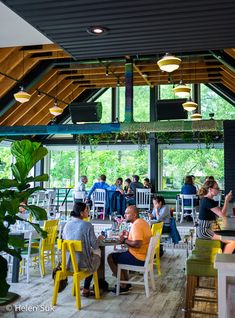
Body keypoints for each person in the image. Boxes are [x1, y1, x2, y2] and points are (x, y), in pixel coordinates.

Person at [107, 205, 152, 294]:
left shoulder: (136, 225)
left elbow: (137, 244)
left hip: (139, 258)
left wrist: (124, 240)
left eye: (127, 213)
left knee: (110, 257)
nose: (124, 215)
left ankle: (123, 286)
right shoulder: (142, 222)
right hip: (144, 255)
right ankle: (126, 283)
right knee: (121, 256)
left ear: (134, 215)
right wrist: (129, 235)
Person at [63, 202, 104, 297]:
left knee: (87, 254)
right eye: (87, 210)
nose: (88, 212)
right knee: (97, 253)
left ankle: (83, 287)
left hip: (68, 263)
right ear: (81, 213)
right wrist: (99, 238)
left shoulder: (66, 225)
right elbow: (95, 245)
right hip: (83, 264)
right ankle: (86, 288)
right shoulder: (87, 225)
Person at [197, 180, 235, 254]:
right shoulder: (207, 201)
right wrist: (226, 200)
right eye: (217, 188)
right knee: (232, 241)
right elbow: (222, 215)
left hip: (212, 226)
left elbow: (221, 212)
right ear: (210, 190)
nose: (218, 190)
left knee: (229, 233)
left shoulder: (209, 200)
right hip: (205, 230)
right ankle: (223, 262)